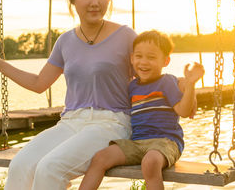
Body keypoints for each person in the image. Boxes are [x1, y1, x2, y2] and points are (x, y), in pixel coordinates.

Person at [0, 0, 138, 190]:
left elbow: (151, 77)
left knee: (50, 168)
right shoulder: (66, 41)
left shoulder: (126, 36)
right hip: (71, 122)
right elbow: (39, 83)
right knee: (20, 165)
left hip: (111, 124)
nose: (95, 2)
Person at [78, 30, 204, 190]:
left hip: (165, 142)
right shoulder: (131, 86)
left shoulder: (167, 82)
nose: (143, 62)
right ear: (131, 58)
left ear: (165, 61)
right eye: (139, 56)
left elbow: (184, 111)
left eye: (151, 57)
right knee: (100, 158)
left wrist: (190, 86)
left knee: (150, 162)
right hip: (137, 143)